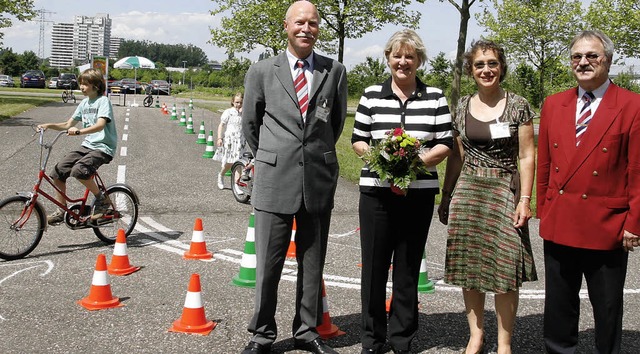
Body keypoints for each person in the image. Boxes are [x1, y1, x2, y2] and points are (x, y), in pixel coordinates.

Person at [240, 1, 347, 353]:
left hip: (317, 179)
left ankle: (306, 331)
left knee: (313, 263)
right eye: (299, 22)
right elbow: (251, 126)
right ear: (286, 26)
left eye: (313, 23)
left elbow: (335, 123)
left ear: (318, 28)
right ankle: (261, 334)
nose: (306, 28)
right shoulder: (261, 71)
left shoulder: (335, 71)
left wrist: (315, 156)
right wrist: (272, 157)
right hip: (274, 178)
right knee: (268, 265)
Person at [537, 30, 640, 353]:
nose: (583, 62)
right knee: (558, 307)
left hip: (606, 225)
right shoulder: (554, 104)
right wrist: (545, 211)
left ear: (607, 60)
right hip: (561, 221)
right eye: (577, 57)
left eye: (592, 56)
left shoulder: (632, 106)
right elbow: (545, 164)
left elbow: (637, 170)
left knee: (607, 309)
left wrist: (634, 223)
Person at [351, 29, 453, 354]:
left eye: (410, 56)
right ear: (388, 58)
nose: (403, 61)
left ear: (419, 60)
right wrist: (384, 163)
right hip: (376, 195)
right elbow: (358, 140)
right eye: (397, 55)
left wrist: (409, 167)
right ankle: (372, 338)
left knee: (408, 268)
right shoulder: (370, 95)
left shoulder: (435, 97)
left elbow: (445, 143)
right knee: (374, 268)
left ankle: (402, 338)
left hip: (418, 195)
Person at [438, 40, 537, 354]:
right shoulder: (462, 105)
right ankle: (476, 336)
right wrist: (446, 194)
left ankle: (504, 344)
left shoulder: (518, 105)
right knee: (470, 268)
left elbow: (526, 155)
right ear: (471, 70)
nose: (486, 69)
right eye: (479, 64)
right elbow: (456, 155)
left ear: (501, 67)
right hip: (468, 191)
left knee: (505, 271)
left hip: (504, 191)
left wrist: (524, 199)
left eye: (492, 63)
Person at [37, 68, 117, 225]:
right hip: (87, 145)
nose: (81, 87)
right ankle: (61, 210)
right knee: (58, 171)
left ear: (96, 85)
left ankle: (103, 200)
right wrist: (48, 125)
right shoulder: (84, 103)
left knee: (79, 170)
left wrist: (79, 131)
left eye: (85, 84)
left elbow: (100, 125)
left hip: (103, 147)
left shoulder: (103, 101)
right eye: (80, 84)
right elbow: (68, 124)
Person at [216, 92, 244, 190]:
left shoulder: (243, 113)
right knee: (229, 163)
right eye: (237, 102)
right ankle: (221, 175)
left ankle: (237, 185)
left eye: (240, 102)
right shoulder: (228, 112)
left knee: (239, 163)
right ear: (232, 102)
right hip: (230, 140)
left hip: (240, 141)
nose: (238, 105)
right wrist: (219, 138)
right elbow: (221, 125)